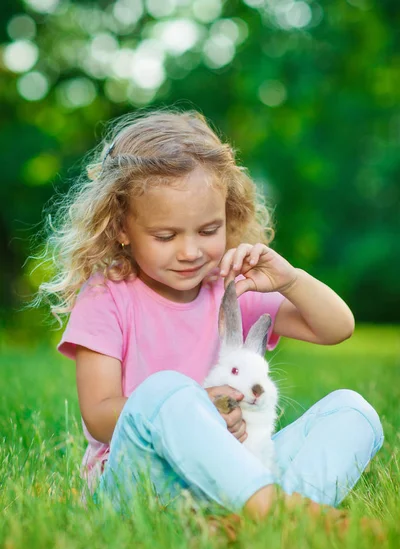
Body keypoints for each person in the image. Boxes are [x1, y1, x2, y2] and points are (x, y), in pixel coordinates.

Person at [38, 109, 383, 521]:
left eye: (207, 230)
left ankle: (275, 516)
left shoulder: (231, 288)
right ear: (121, 229)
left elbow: (337, 328)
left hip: (240, 474)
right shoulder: (107, 295)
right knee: (167, 390)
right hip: (145, 485)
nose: (190, 252)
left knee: (352, 410)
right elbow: (98, 417)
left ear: (228, 216)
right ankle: (275, 513)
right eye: (165, 236)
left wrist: (291, 280)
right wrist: (198, 407)